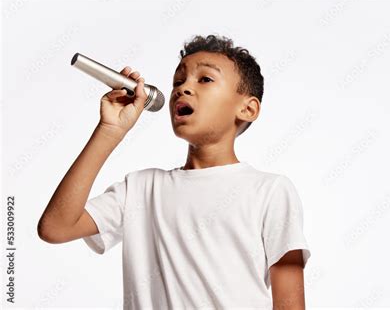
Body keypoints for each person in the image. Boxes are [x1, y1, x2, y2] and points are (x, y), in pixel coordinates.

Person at [37, 34, 311, 309]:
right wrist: (110, 131)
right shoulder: (141, 189)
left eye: (205, 79)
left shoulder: (269, 190)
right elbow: (55, 227)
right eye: (178, 82)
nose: (183, 89)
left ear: (247, 108)